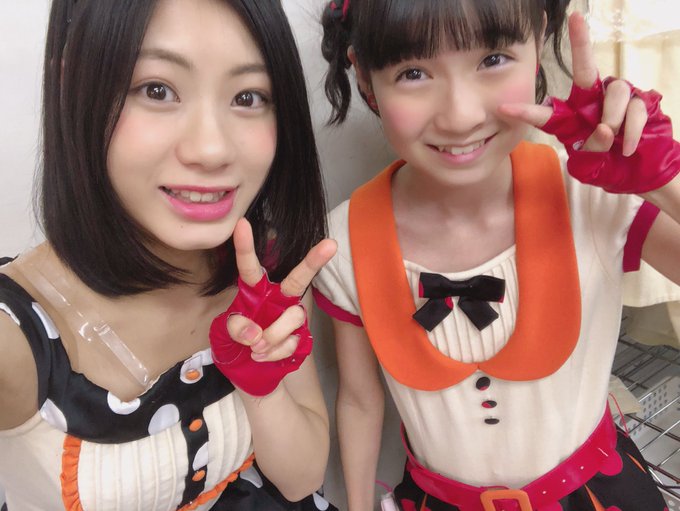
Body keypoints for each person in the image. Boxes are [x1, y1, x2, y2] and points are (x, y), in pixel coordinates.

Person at [314, 0, 680, 509]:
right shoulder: (341, 244)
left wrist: (663, 182)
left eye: (492, 59)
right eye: (414, 72)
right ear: (364, 76)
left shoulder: (590, 193)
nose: (461, 116)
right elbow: (359, 399)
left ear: (538, 41)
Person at [0, 0, 339, 510]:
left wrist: (262, 383)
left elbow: (301, 479)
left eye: (248, 96)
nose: (211, 149)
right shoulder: (13, 336)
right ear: (73, 86)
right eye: (156, 90)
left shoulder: (265, 269)